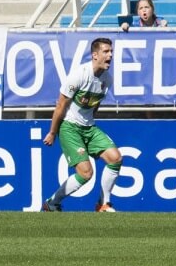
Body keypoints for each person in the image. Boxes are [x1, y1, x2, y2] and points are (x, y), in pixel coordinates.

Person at [42, 37, 121, 212]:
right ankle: (52, 203)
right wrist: (52, 132)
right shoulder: (80, 74)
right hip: (69, 127)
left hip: (89, 127)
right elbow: (61, 105)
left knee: (115, 158)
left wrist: (90, 126)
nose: (110, 55)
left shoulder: (107, 79)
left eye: (111, 52)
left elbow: (95, 105)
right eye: (106, 52)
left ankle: (103, 203)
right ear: (95, 55)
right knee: (86, 173)